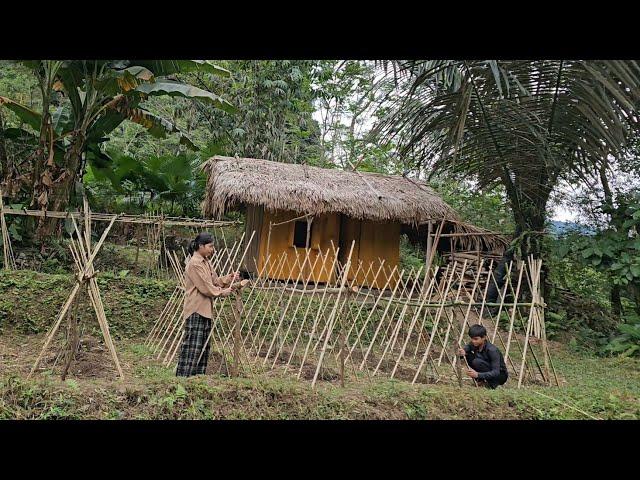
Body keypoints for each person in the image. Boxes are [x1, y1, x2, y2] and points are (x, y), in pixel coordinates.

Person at [176, 232, 240, 377]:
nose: (212, 249)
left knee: (203, 348)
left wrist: (229, 278)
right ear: (200, 246)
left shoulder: (206, 262)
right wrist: (222, 292)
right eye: (210, 246)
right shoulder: (194, 263)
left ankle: (198, 377)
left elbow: (214, 281)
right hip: (196, 310)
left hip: (206, 310)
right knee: (193, 346)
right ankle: (183, 378)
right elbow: (206, 288)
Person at [457, 324, 508, 389]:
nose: (473, 341)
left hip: (500, 376)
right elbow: (468, 347)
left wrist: (478, 375)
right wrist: (463, 351)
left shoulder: (492, 350)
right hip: (487, 369)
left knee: (477, 361)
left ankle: (491, 384)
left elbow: (496, 372)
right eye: (472, 339)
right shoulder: (475, 344)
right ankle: (482, 381)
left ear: (483, 337)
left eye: (476, 339)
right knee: (468, 355)